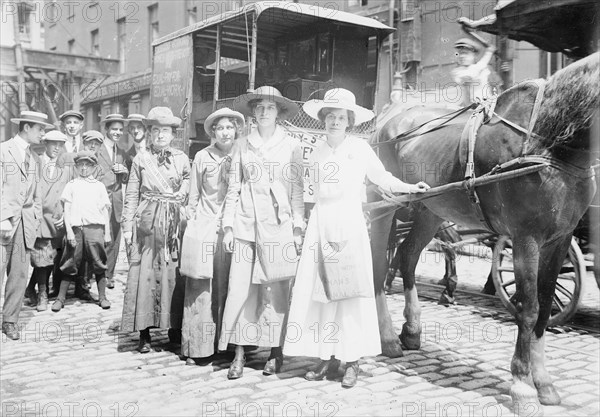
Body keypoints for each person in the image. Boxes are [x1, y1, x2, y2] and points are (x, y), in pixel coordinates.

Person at [283, 88, 429, 388]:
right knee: (320, 292)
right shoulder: (316, 150)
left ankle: (351, 361)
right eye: (330, 117)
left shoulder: (360, 149)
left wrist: (411, 187)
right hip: (321, 223)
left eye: (341, 117)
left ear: (349, 122)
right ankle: (326, 357)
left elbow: (382, 177)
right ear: (323, 121)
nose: (335, 122)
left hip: (349, 223)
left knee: (348, 294)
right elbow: (302, 188)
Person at [218, 86, 304, 379]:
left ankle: (275, 353)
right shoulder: (242, 144)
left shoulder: (291, 145)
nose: (264, 112)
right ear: (253, 112)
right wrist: (228, 226)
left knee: (277, 289)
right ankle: (240, 352)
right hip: (245, 223)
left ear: (279, 112)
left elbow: (296, 191)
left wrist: (296, 228)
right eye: (259, 107)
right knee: (241, 287)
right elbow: (233, 187)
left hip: (278, 225)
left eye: (270, 107)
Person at [121, 107, 190, 353]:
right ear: (150, 133)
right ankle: (144, 331)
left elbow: (189, 181)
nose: (161, 135)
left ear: (173, 134)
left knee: (173, 273)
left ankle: (173, 328)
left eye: (166, 131)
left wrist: (183, 192)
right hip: (147, 223)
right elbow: (131, 194)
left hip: (172, 225)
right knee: (145, 275)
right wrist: (127, 227)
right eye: (156, 130)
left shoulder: (181, 158)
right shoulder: (141, 159)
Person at [181, 108, 245, 365]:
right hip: (206, 227)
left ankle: (227, 344)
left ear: (236, 131)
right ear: (213, 132)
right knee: (201, 288)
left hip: (233, 229)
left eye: (230, 127)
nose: (225, 132)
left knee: (229, 285)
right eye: (220, 128)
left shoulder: (243, 155)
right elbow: (194, 196)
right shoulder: (202, 156)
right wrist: (193, 226)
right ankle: (198, 346)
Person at [1, 111, 49, 340]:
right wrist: (2, 218)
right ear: (27, 127)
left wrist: (36, 218)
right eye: (40, 129)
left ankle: (10, 320)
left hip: (25, 224)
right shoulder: (3, 150)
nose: (43, 134)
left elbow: (37, 195)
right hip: (4, 222)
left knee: (19, 274)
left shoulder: (35, 158)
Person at [51, 151, 112, 312]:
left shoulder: (99, 186)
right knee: (70, 261)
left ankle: (103, 296)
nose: (84, 168)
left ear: (93, 167)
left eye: (88, 165)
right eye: (81, 165)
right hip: (77, 229)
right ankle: (60, 298)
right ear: (76, 166)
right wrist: (70, 232)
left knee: (98, 262)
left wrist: (107, 233)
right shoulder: (71, 185)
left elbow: (105, 211)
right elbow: (67, 210)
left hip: (95, 229)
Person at [25, 130, 71, 311]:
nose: (57, 148)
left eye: (60, 145)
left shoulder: (66, 169)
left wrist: (66, 216)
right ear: (45, 144)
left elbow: (70, 195)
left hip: (58, 220)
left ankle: (30, 289)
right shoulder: (36, 164)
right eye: (53, 144)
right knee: (41, 257)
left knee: (50, 258)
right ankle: (42, 294)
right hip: (40, 219)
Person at [98, 114, 130, 289]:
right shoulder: (97, 149)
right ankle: (93, 276)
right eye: (114, 129)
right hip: (100, 201)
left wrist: (124, 171)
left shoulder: (121, 151)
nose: (117, 132)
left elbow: (124, 180)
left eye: (120, 130)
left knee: (114, 240)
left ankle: (108, 275)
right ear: (107, 130)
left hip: (116, 201)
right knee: (98, 239)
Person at [451, 37, 498, 107]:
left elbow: (497, 85)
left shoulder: (486, 69)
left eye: (465, 53)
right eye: (459, 53)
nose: (462, 56)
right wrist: (489, 52)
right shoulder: (457, 72)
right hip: (471, 109)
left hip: (490, 106)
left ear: (474, 55)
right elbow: (473, 73)